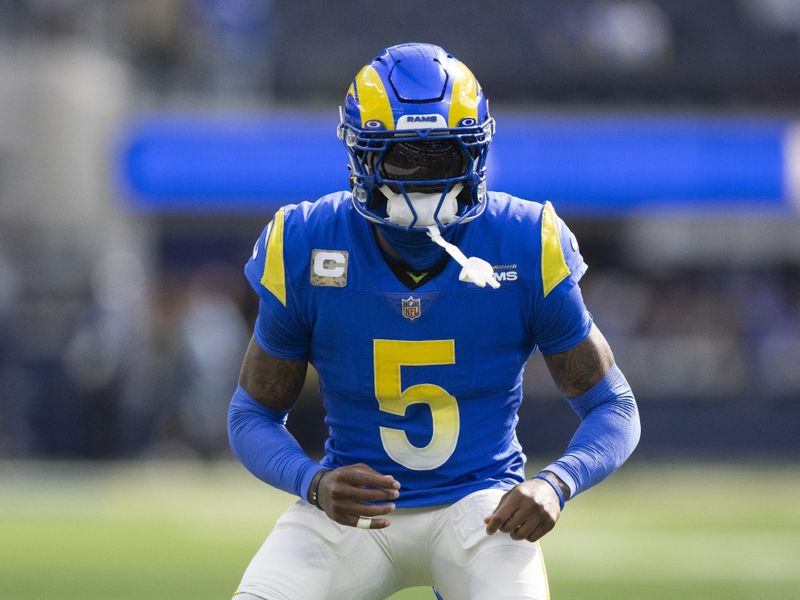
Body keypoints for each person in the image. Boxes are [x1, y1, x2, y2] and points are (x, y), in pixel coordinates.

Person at [228, 42, 640, 600]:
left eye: (445, 155)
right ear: (361, 156)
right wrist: (312, 481)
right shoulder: (305, 241)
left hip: (480, 509)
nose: (427, 177)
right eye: (404, 158)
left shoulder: (526, 239)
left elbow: (613, 406)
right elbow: (252, 413)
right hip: (352, 515)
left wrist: (555, 483)